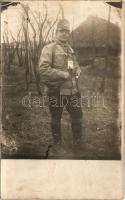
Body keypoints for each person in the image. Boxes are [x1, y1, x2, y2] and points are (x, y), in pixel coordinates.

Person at [39, 19, 83, 154]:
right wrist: (62, 74)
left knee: (77, 115)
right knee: (56, 117)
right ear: (56, 32)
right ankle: (57, 144)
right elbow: (43, 69)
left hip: (73, 91)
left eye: (67, 31)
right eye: (62, 31)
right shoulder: (49, 48)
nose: (65, 34)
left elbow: (74, 65)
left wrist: (78, 69)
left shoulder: (70, 49)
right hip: (56, 91)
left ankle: (77, 142)